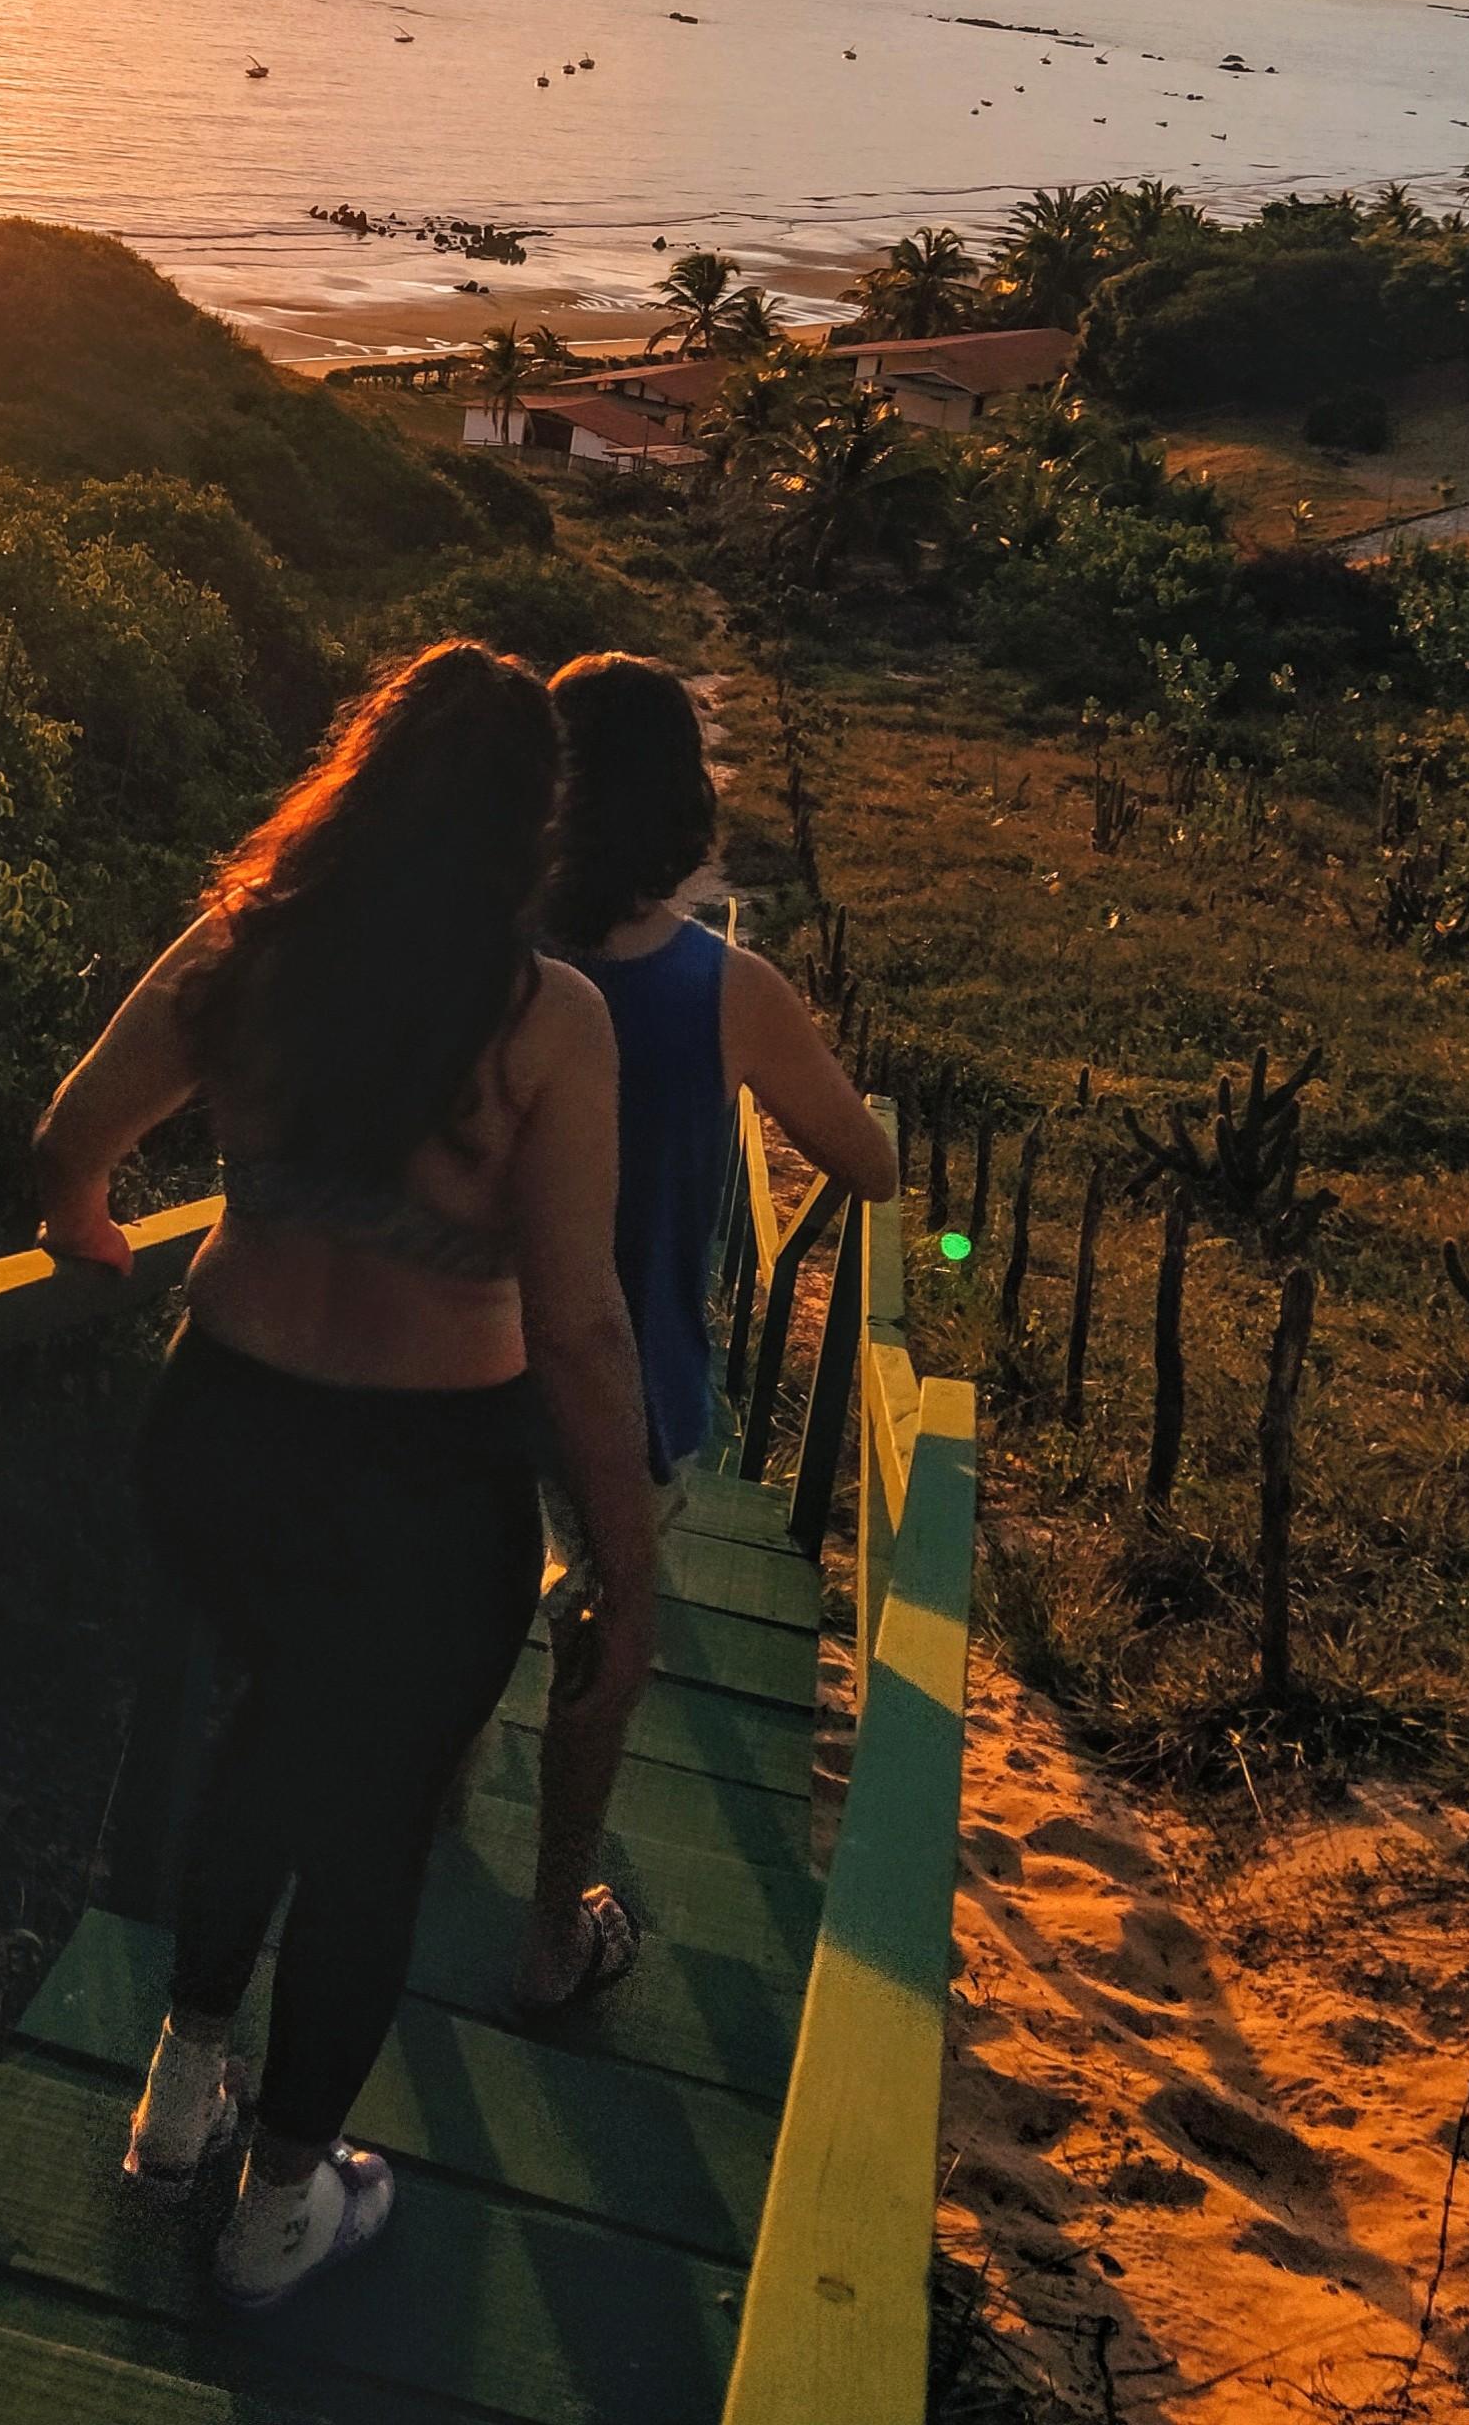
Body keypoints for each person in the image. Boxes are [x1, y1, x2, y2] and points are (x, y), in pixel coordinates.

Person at [31, 641, 657, 2313]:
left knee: (267, 1733)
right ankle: (279, 2204)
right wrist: (627, 1551)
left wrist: (85, 1231)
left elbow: (74, 1138)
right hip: (421, 1482)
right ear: (532, 827)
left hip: (221, 1435)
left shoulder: (245, 951)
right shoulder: (547, 1025)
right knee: (368, 1827)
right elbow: (584, 1328)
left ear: (358, 782)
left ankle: (177, 2107)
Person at [513, 652, 898, 2013]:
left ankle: (429, 1823)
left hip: (465, 1349)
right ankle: (555, 1920)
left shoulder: (494, 961)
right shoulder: (727, 987)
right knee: (601, 1643)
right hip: (638, 1377)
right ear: (683, 802)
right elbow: (866, 1164)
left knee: (458, 1596)